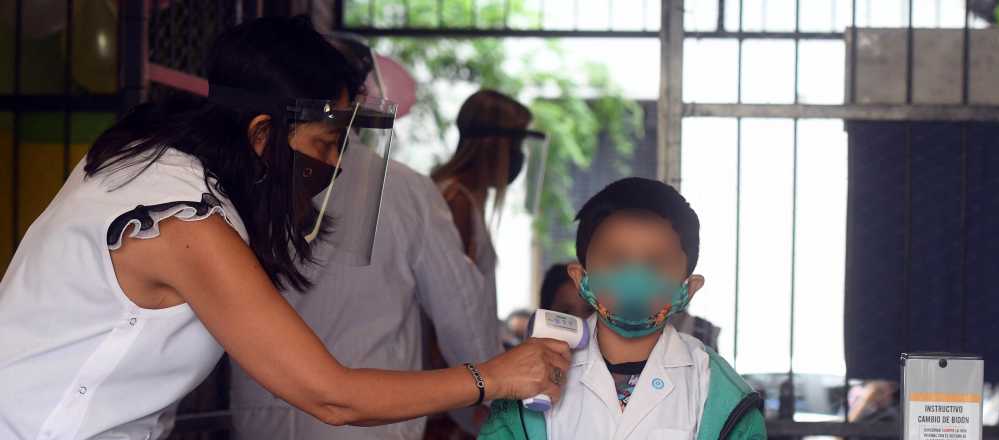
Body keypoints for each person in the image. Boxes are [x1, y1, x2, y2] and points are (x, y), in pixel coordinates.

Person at [0, 17, 569, 440]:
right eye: (325, 145)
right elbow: (334, 396)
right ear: (262, 134)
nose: (337, 166)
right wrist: (488, 376)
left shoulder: (144, 160)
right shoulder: (182, 223)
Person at [229, 35, 503, 440]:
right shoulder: (407, 191)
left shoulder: (238, 181)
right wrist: (493, 397)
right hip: (369, 424)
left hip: (259, 422)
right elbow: (463, 320)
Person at [479, 177, 767, 440]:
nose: (634, 279)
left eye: (656, 263)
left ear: (688, 288)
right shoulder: (531, 374)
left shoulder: (719, 393)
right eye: (616, 260)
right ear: (581, 278)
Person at [424, 89, 537, 437]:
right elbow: (447, 313)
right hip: (449, 393)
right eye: (515, 145)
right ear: (491, 144)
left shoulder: (463, 197)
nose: (518, 157)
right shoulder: (453, 202)